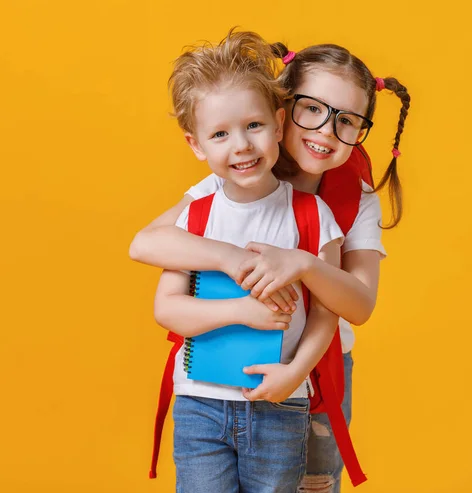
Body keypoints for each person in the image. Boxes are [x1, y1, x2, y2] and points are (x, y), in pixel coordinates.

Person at [131, 36, 411, 493]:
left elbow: (357, 305)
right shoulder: (237, 175)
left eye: (347, 121)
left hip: (319, 371)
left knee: (314, 483)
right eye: (312, 109)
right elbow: (147, 243)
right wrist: (230, 257)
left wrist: (304, 265)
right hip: (218, 378)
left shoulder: (352, 201)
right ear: (283, 110)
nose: (325, 131)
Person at [153, 30, 345, 492]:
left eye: (253, 126)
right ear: (196, 145)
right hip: (200, 405)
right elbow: (167, 309)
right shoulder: (196, 215)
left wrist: (294, 375)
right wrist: (243, 312)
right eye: (220, 134)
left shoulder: (311, 215)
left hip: (279, 403)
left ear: (279, 125)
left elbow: (327, 312)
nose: (240, 145)